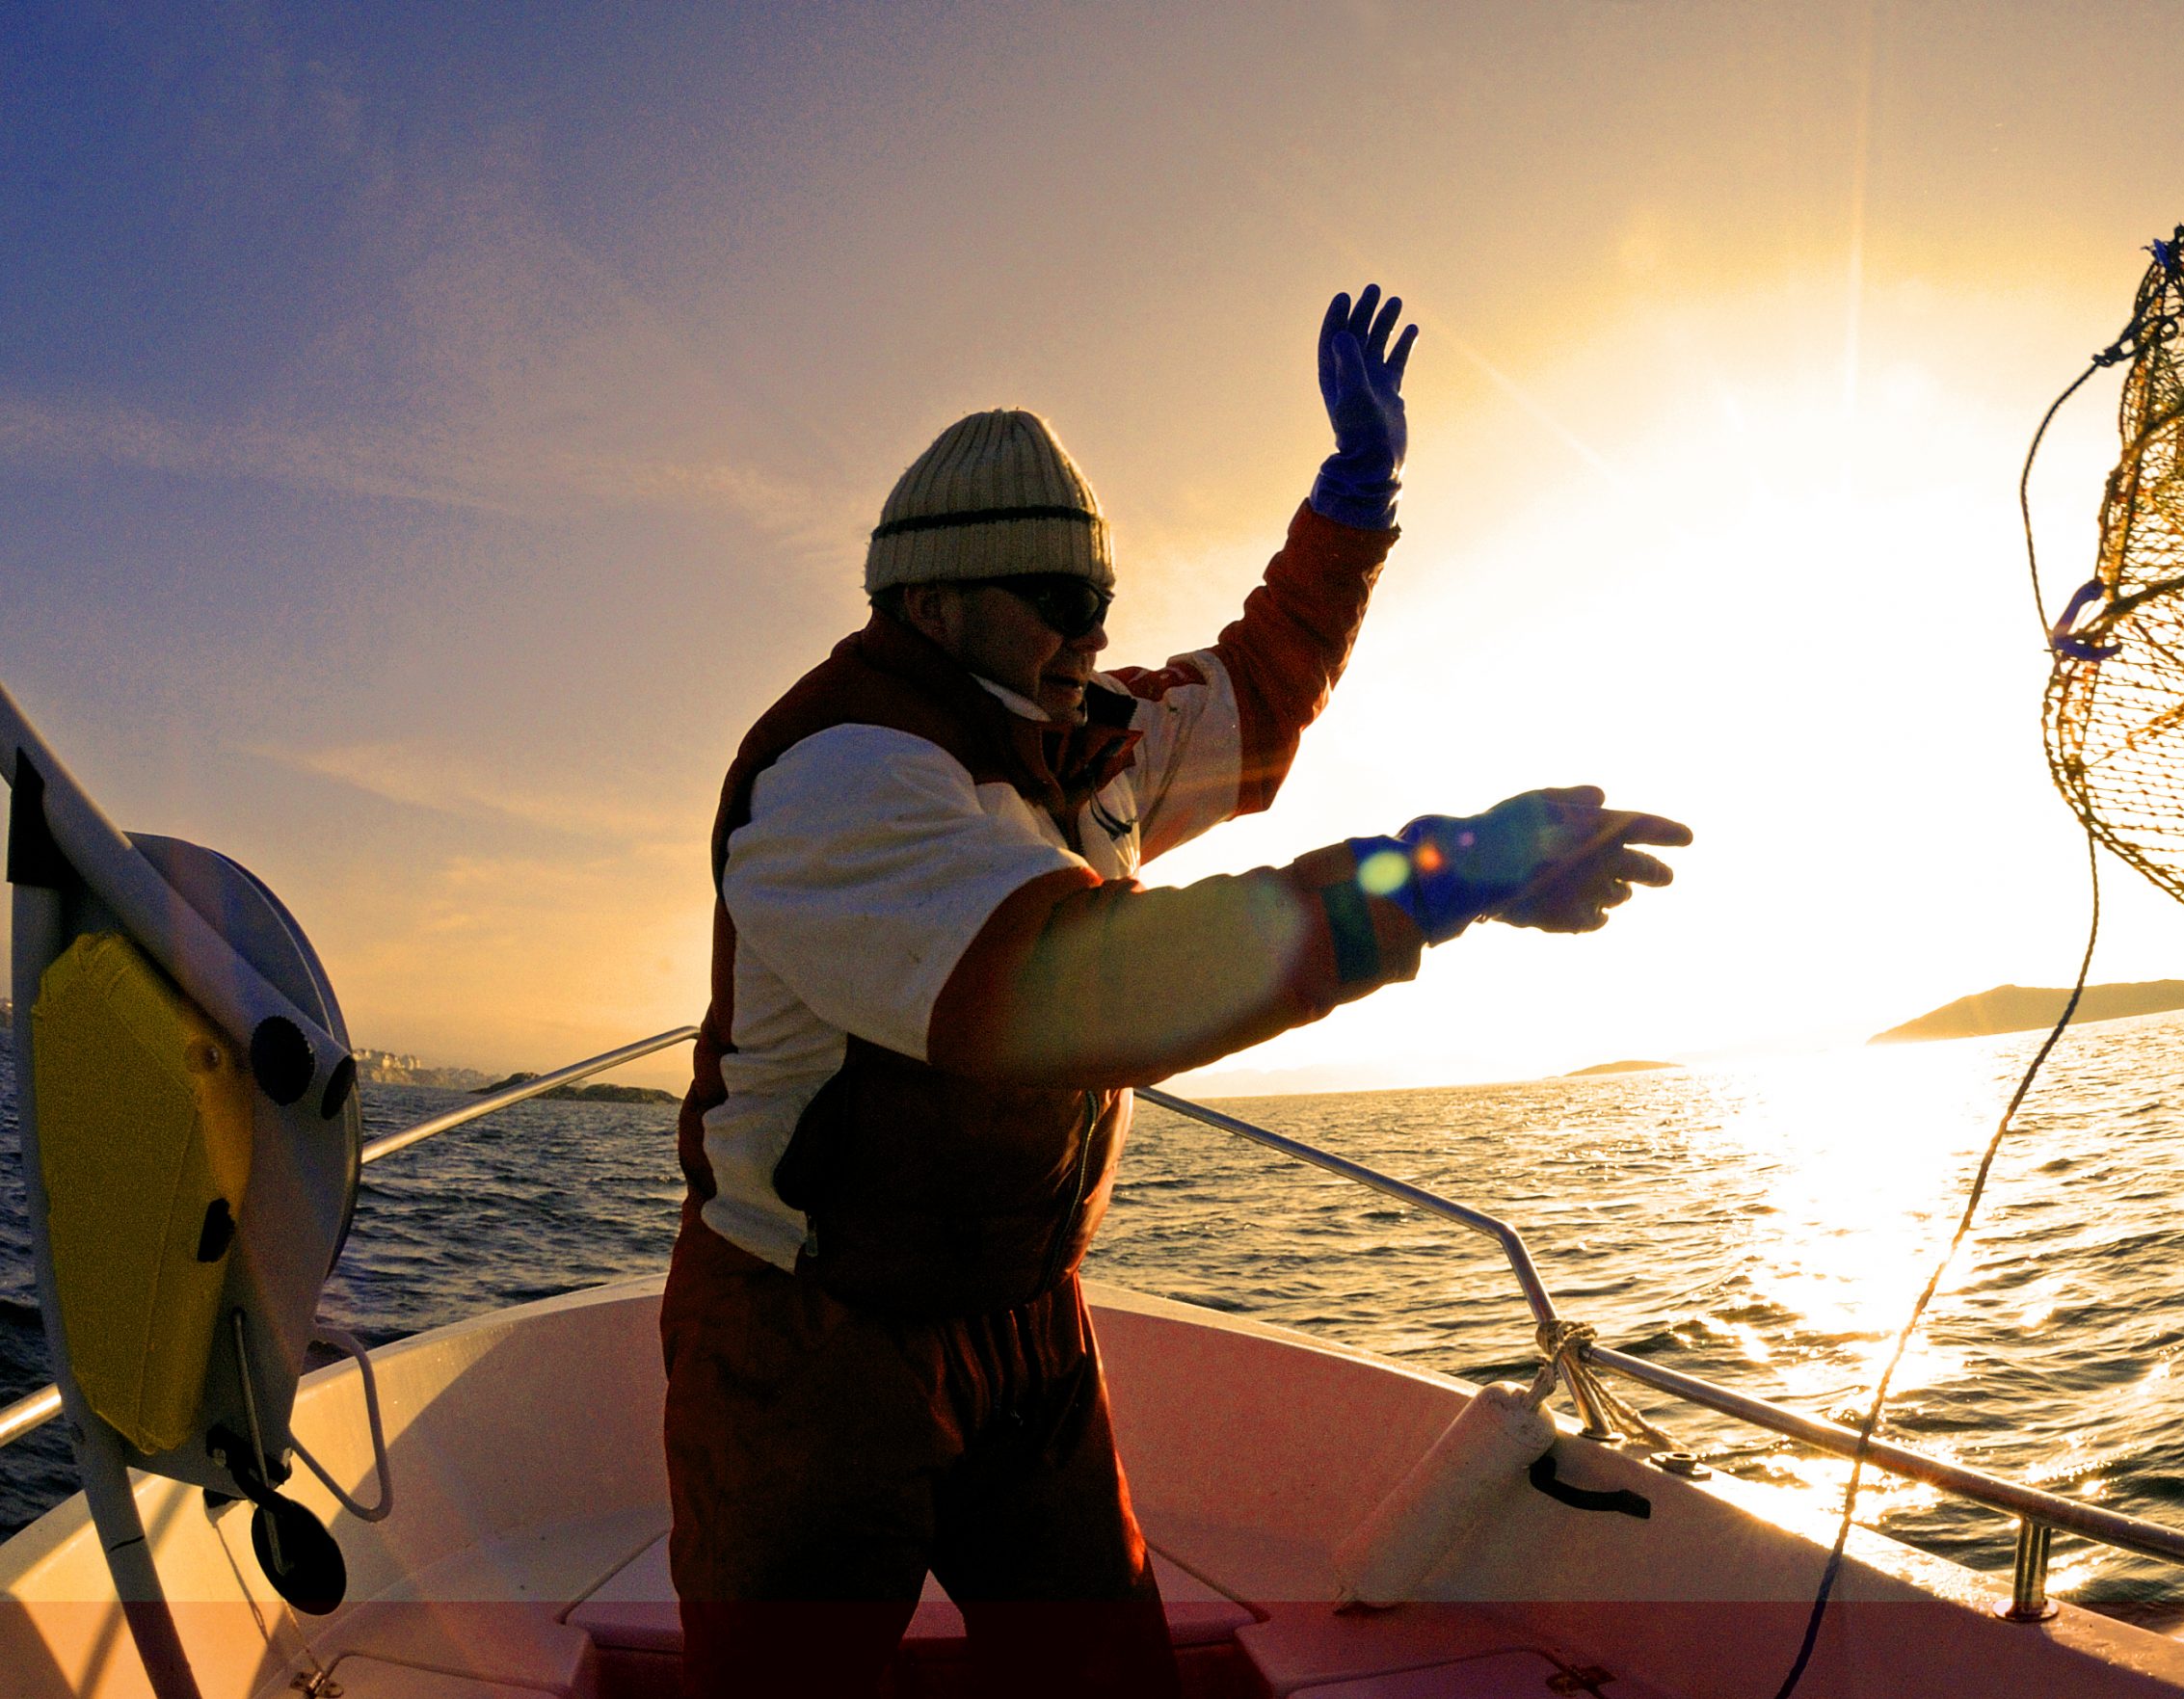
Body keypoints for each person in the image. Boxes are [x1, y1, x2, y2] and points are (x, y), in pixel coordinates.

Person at [657, 286, 1690, 1698]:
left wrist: (1356, 494)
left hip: (1026, 1325)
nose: (1090, 637)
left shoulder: (1081, 743)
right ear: (931, 600)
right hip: (813, 1342)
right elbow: (1086, 989)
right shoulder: (839, 779)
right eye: (1059, 605)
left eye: (1101, 602)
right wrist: (1457, 872)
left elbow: (1257, 694)